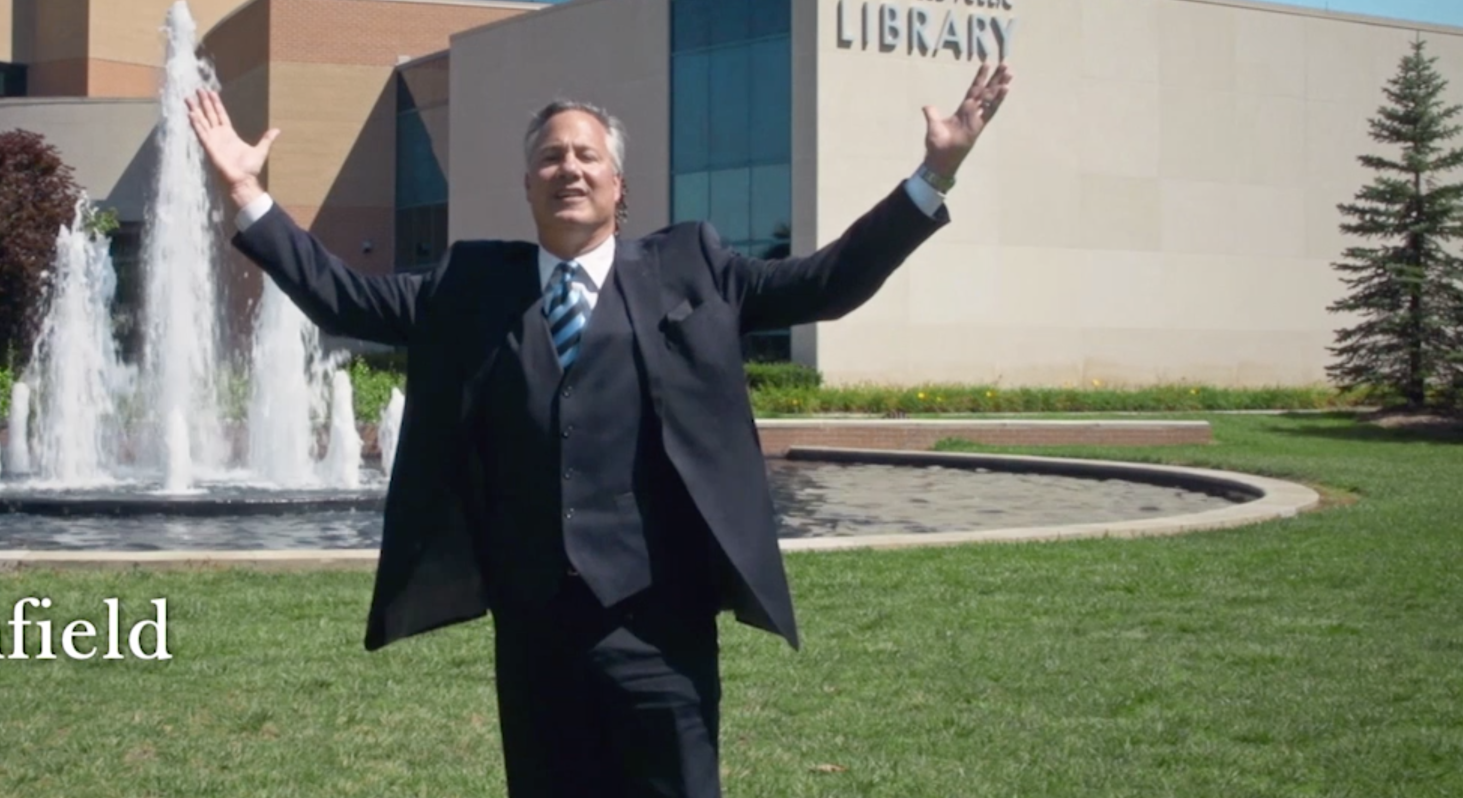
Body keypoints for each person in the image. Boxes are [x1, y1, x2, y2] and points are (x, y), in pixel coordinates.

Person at [185, 60, 1011, 798]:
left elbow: (826, 281)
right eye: (550, 156)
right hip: (536, 634)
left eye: (586, 155)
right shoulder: (471, 285)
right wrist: (247, 194)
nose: (568, 167)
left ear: (621, 187)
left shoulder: (697, 267)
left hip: (662, 627)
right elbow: (344, 297)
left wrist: (932, 175)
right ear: (528, 186)